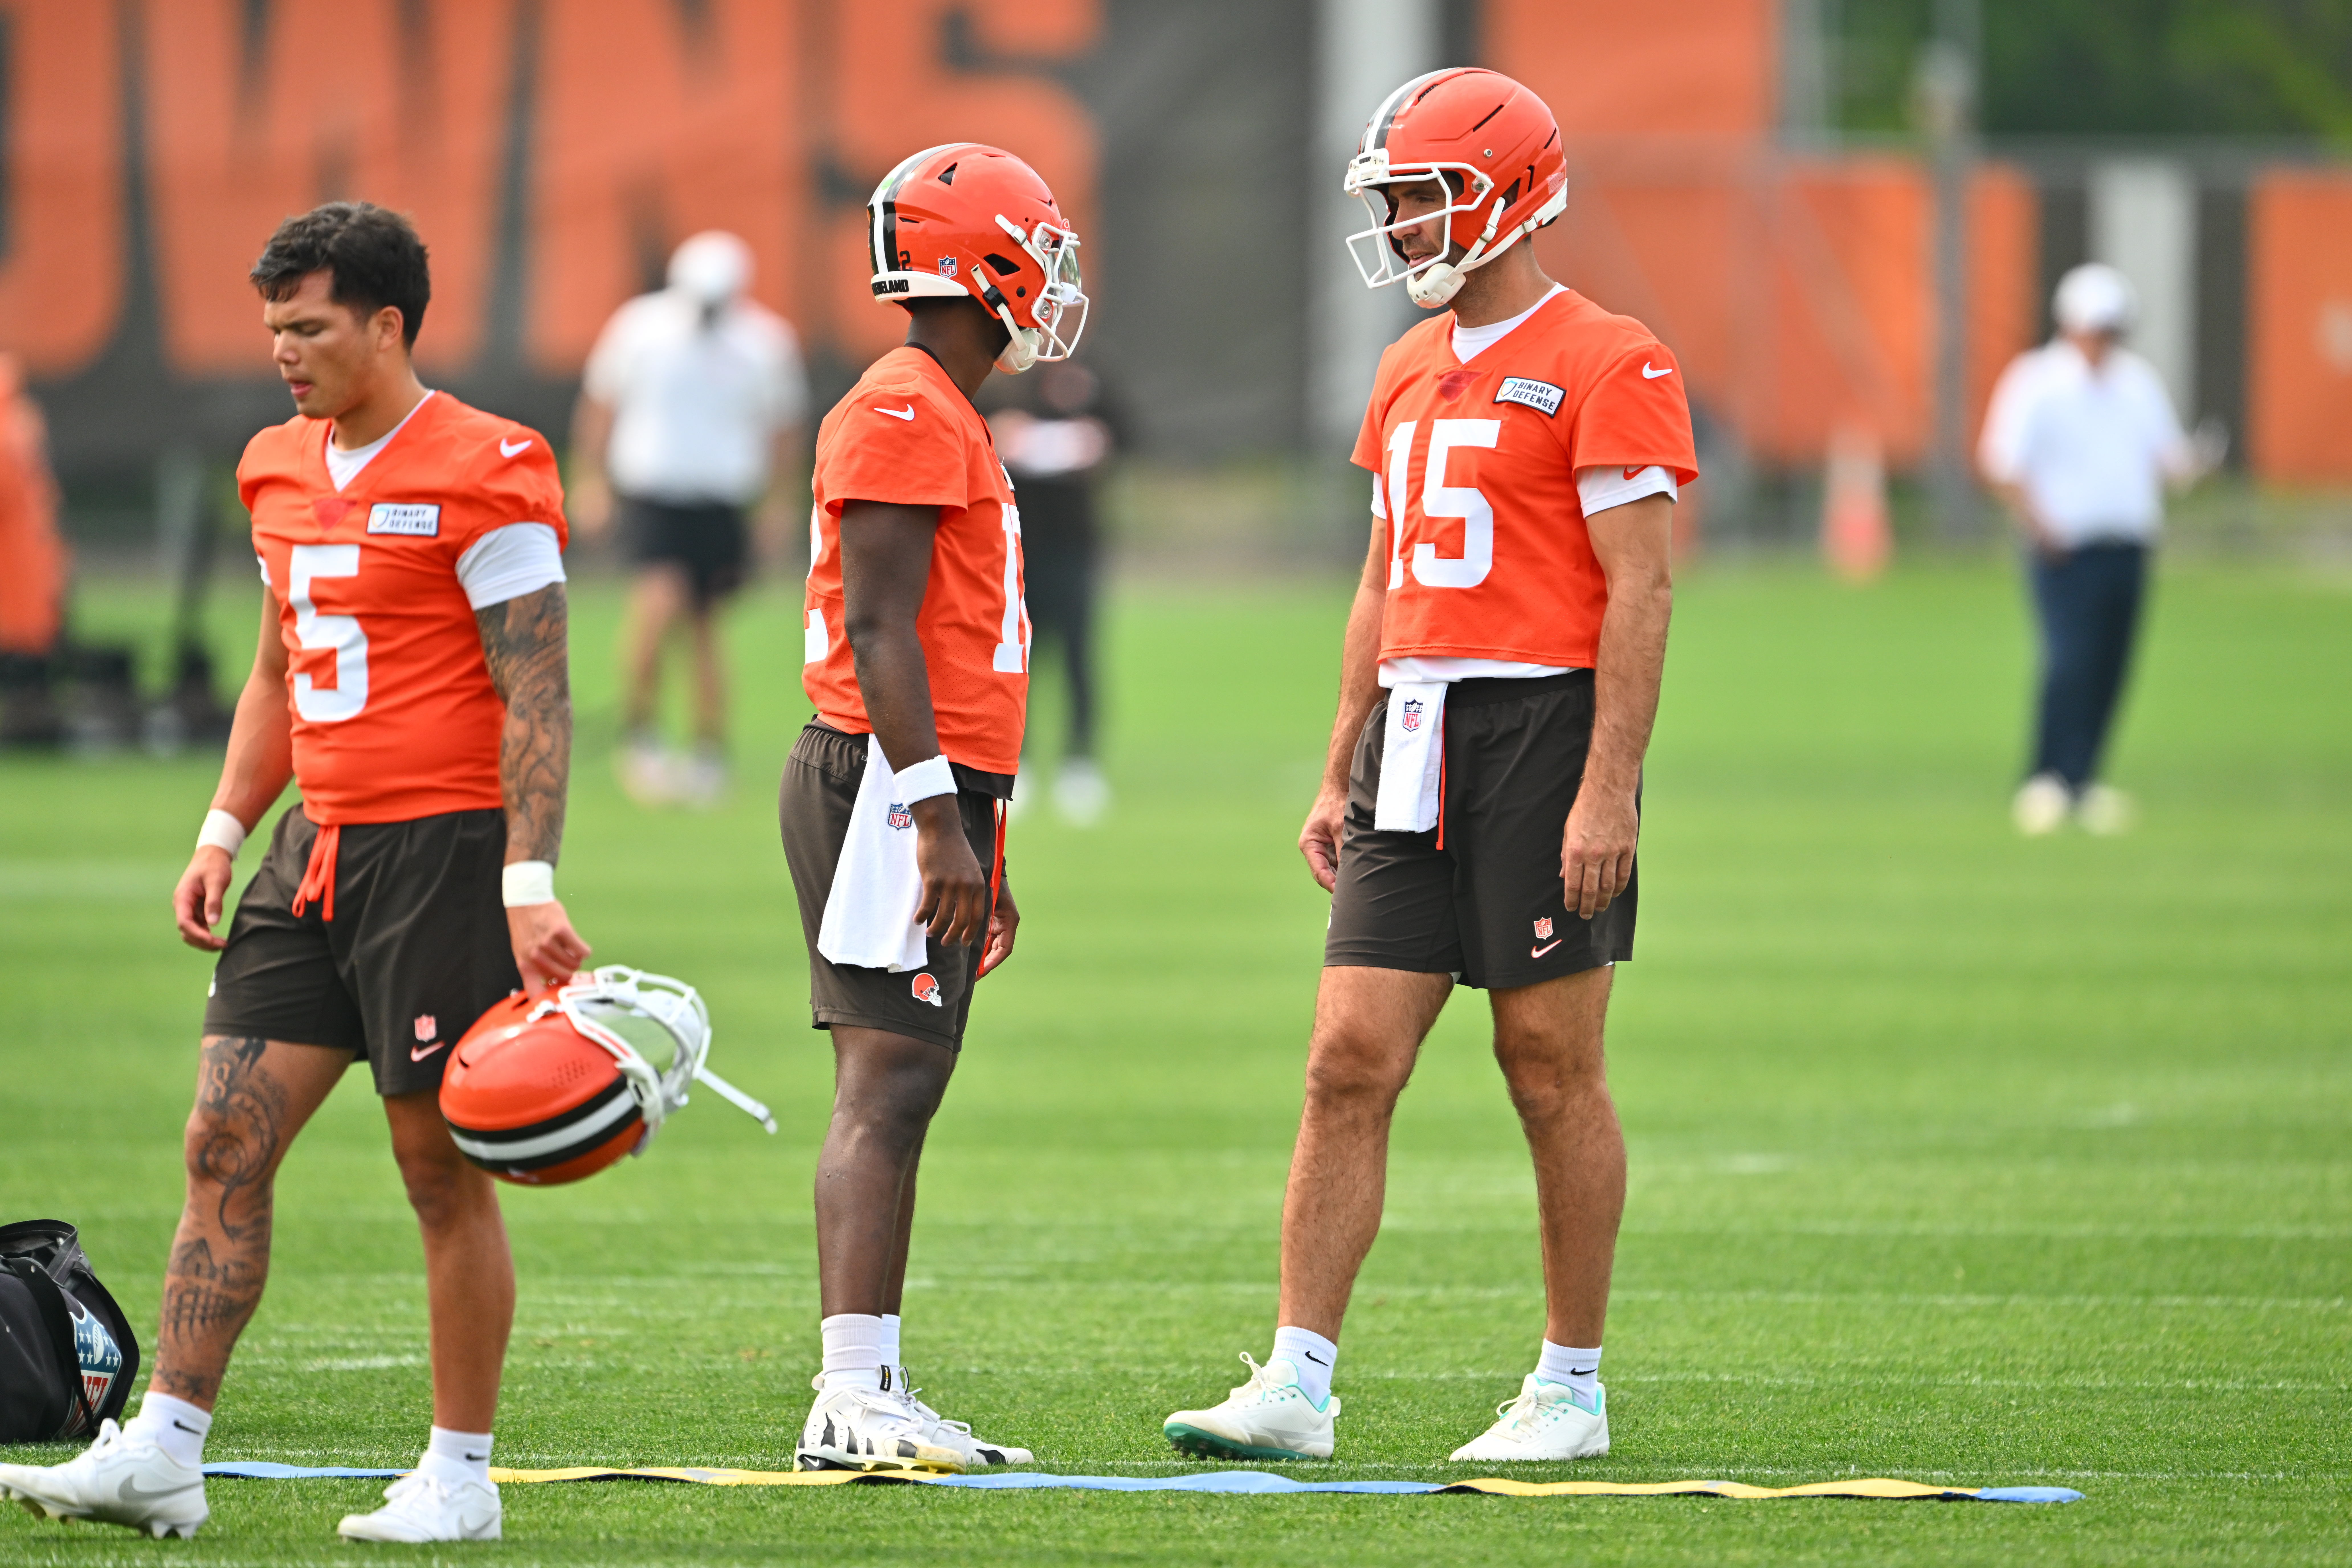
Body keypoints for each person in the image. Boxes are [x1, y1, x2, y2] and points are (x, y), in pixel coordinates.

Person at [0, 202, 589, 1543]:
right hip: (310, 849)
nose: (284, 350)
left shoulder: (490, 463)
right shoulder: (274, 464)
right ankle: (165, 1451)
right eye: (272, 326)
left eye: (309, 326)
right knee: (222, 1139)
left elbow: (538, 686)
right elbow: (278, 665)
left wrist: (528, 876)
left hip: (441, 856)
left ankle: (459, 1474)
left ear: (387, 325)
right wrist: (220, 827)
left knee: (435, 1167)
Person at [1162, 68, 1692, 1464]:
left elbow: (1638, 589)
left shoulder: (1608, 354)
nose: (1402, 227)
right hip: (1411, 733)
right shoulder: (1403, 369)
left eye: (1421, 198)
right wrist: (1334, 758)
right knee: (1345, 1055)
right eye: (1393, 202)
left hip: (1540, 728)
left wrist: (1608, 783)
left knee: (1544, 1060)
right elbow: (1381, 575)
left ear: (1507, 194)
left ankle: (1569, 1389)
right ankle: (1295, 1379)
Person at [781, 142, 1085, 1472]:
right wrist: (934, 816)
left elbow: (949, 639)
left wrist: (979, 830)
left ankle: (870, 1384)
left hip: (922, 784)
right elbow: (880, 630)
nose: (1057, 279)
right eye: (1040, 250)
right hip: (887, 782)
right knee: (886, 1080)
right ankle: (851, 1393)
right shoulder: (906, 406)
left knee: (905, 1077)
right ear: (987, 265)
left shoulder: (939, 406)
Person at [570, 231, 808, 807]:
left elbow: (783, 428)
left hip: (721, 498)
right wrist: (591, 481)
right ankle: (642, 738)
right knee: (657, 604)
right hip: (655, 492)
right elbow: (601, 406)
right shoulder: (640, 329)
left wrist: (777, 504)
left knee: (704, 625)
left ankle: (707, 751)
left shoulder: (764, 342)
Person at [1980, 262, 2212, 837]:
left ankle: (2082, 780)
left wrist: (2198, 464)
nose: (2104, 341)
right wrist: (2041, 523)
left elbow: (2166, 456)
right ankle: (2045, 776)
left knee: (2112, 665)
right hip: (2064, 548)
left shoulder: (2136, 383)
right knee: (2068, 662)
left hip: (2128, 544)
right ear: (2070, 325)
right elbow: (2001, 461)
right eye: (2096, 328)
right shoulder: (2037, 380)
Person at [987, 361, 1117, 824]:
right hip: (1018, 551)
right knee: (1017, 662)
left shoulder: (1095, 369)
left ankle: (1079, 764)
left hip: (1075, 548)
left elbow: (1124, 433)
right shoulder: (1004, 377)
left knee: (1078, 658)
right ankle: (1012, 764)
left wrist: (1096, 442)